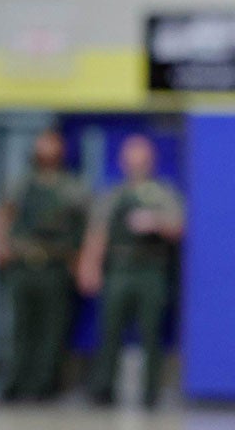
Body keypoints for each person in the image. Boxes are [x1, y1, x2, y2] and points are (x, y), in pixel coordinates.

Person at [78, 134, 185, 408]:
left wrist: (156, 222)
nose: (136, 163)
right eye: (131, 157)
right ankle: (103, 388)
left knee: (151, 333)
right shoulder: (113, 194)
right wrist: (89, 266)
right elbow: (98, 232)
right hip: (119, 269)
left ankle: (151, 393)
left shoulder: (163, 193)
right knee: (110, 329)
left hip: (151, 269)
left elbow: (178, 227)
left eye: (141, 157)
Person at [0, 129, 89, 401]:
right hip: (22, 264)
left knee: (52, 329)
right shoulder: (21, 184)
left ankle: (45, 385)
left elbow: (86, 227)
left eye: (53, 143)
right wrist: (0, 247)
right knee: (20, 328)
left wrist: (81, 263)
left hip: (55, 266)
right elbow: (3, 215)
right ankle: (15, 383)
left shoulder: (72, 187)